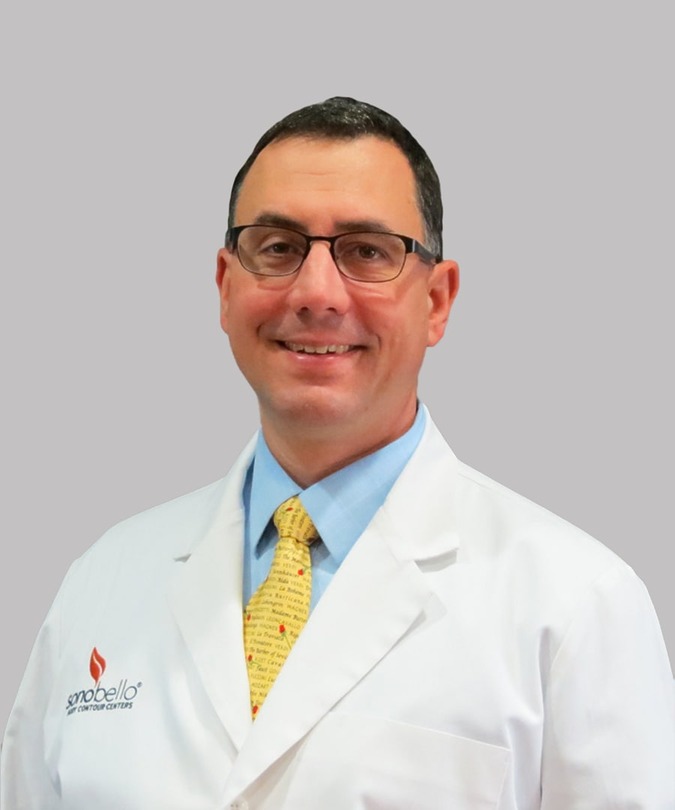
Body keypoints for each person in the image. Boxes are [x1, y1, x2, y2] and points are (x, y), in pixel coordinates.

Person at [2, 97, 673, 809]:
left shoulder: (573, 604)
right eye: (277, 247)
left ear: (437, 301)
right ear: (226, 289)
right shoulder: (102, 582)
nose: (317, 293)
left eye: (366, 252)